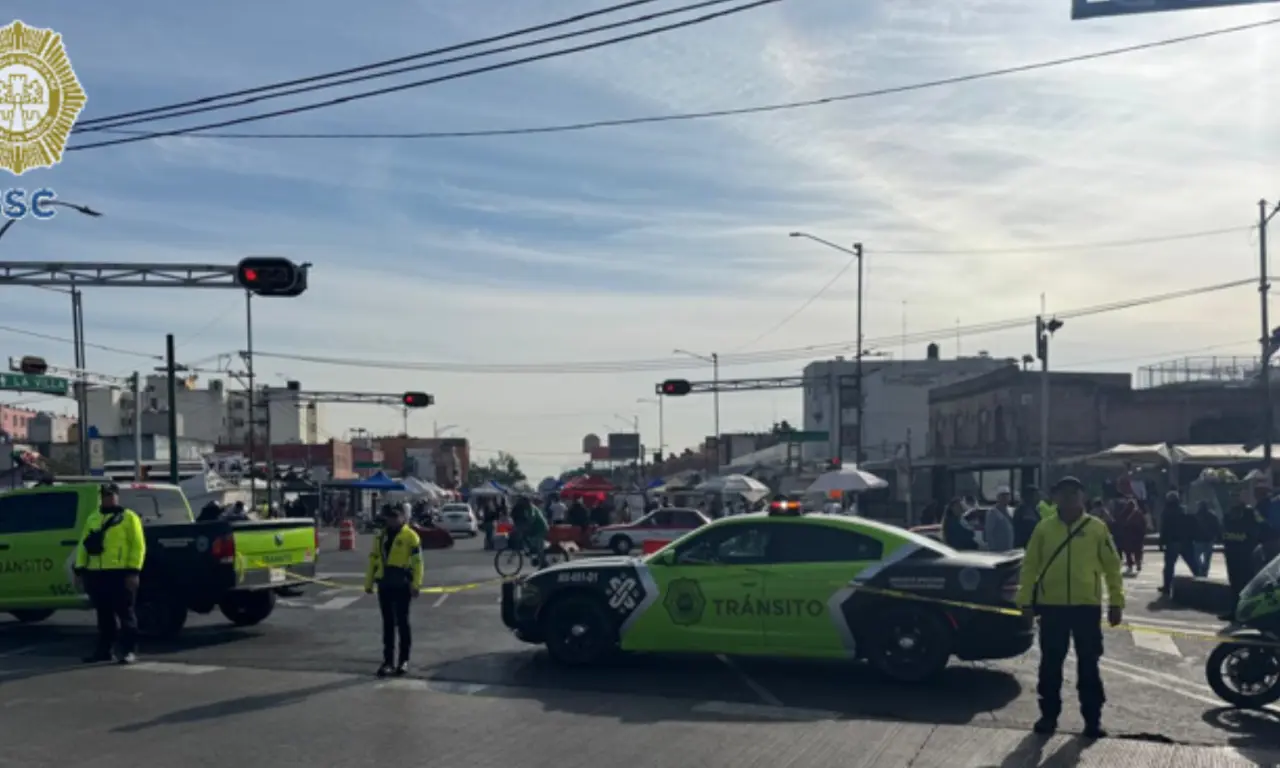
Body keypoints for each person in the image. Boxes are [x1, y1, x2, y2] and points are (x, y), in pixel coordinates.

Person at [1015, 476, 1124, 739]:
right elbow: (1030, 566)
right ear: (1055, 498)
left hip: (1087, 607)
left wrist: (1116, 602)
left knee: (1089, 664)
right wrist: (1025, 601)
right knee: (1051, 664)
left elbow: (1112, 567)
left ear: (1083, 497)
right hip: (1052, 608)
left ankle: (1092, 720)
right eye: (1063, 493)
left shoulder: (1097, 528)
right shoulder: (1044, 529)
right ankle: (1048, 716)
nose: (1068, 498)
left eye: (1074, 493)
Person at [74, 483, 146, 665]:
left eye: (112, 495)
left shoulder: (129, 518)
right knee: (104, 615)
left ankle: (129, 650)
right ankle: (104, 650)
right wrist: (80, 569)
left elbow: (138, 546)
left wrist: (133, 571)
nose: (109, 498)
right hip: (97, 573)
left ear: (117, 496)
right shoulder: (93, 518)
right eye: (106, 495)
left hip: (120, 573)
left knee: (125, 613)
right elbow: (84, 545)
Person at [363, 504, 423, 677]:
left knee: (402, 623)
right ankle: (388, 661)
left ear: (403, 518)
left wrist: (416, 584)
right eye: (390, 517)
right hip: (385, 583)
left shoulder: (411, 536)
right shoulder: (380, 536)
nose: (392, 520)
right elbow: (374, 559)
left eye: (396, 517)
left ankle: (403, 660)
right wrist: (368, 583)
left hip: (403, 583)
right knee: (388, 624)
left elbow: (418, 562)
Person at [1222, 489, 1266, 619]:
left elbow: (1262, 525)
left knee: (1246, 584)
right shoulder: (1228, 513)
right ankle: (1234, 611)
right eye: (1232, 496)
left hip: (1246, 554)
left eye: (1236, 496)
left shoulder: (1250, 512)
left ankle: (1248, 613)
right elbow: (1223, 530)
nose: (1233, 499)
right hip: (1232, 554)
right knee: (1234, 584)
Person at [1159, 491, 1199, 595]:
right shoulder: (1184, 510)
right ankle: (1202, 581)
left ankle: (1167, 587)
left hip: (1172, 541)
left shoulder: (1166, 512)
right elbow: (1192, 523)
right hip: (1186, 541)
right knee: (1193, 563)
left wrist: (1161, 541)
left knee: (1169, 566)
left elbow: (1164, 528)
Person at [511, 497, 549, 568]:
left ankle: (543, 563)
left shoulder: (531, 508)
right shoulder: (526, 509)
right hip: (535, 528)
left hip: (541, 528)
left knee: (538, 547)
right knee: (530, 542)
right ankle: (536, 558)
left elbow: (532, 517)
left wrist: (526, 526)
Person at [1113, 498, 1147, 576]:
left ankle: (1130, 564)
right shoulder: (1138, 513)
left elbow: (1119, 523)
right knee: (1137, 551)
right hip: (1137, 535)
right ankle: (1138, 563)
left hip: (1128, 536)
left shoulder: (1124, 513)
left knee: (1128, 552)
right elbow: (1144, 524)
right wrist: (1143, 533)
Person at [1192, 500, 1222, 577]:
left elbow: (1192, 528)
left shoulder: (1196, 516)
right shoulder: (1212, 516)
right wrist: (1217, 537)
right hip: (1209, 539)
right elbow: (1217, 527)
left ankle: (1201, 569)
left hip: (1199, 540)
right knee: (1207, 559)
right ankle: (1204, 571)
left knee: (1196, 557)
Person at [984, 486, 1015, 552]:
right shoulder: (993, 512)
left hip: (1010, 548)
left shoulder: (1011, 510)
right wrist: (992, 547)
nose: (1005, 498)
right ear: (998, 497)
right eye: (1003, 496)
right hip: (997, 549)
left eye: (1007, 496)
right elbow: (989, 532)